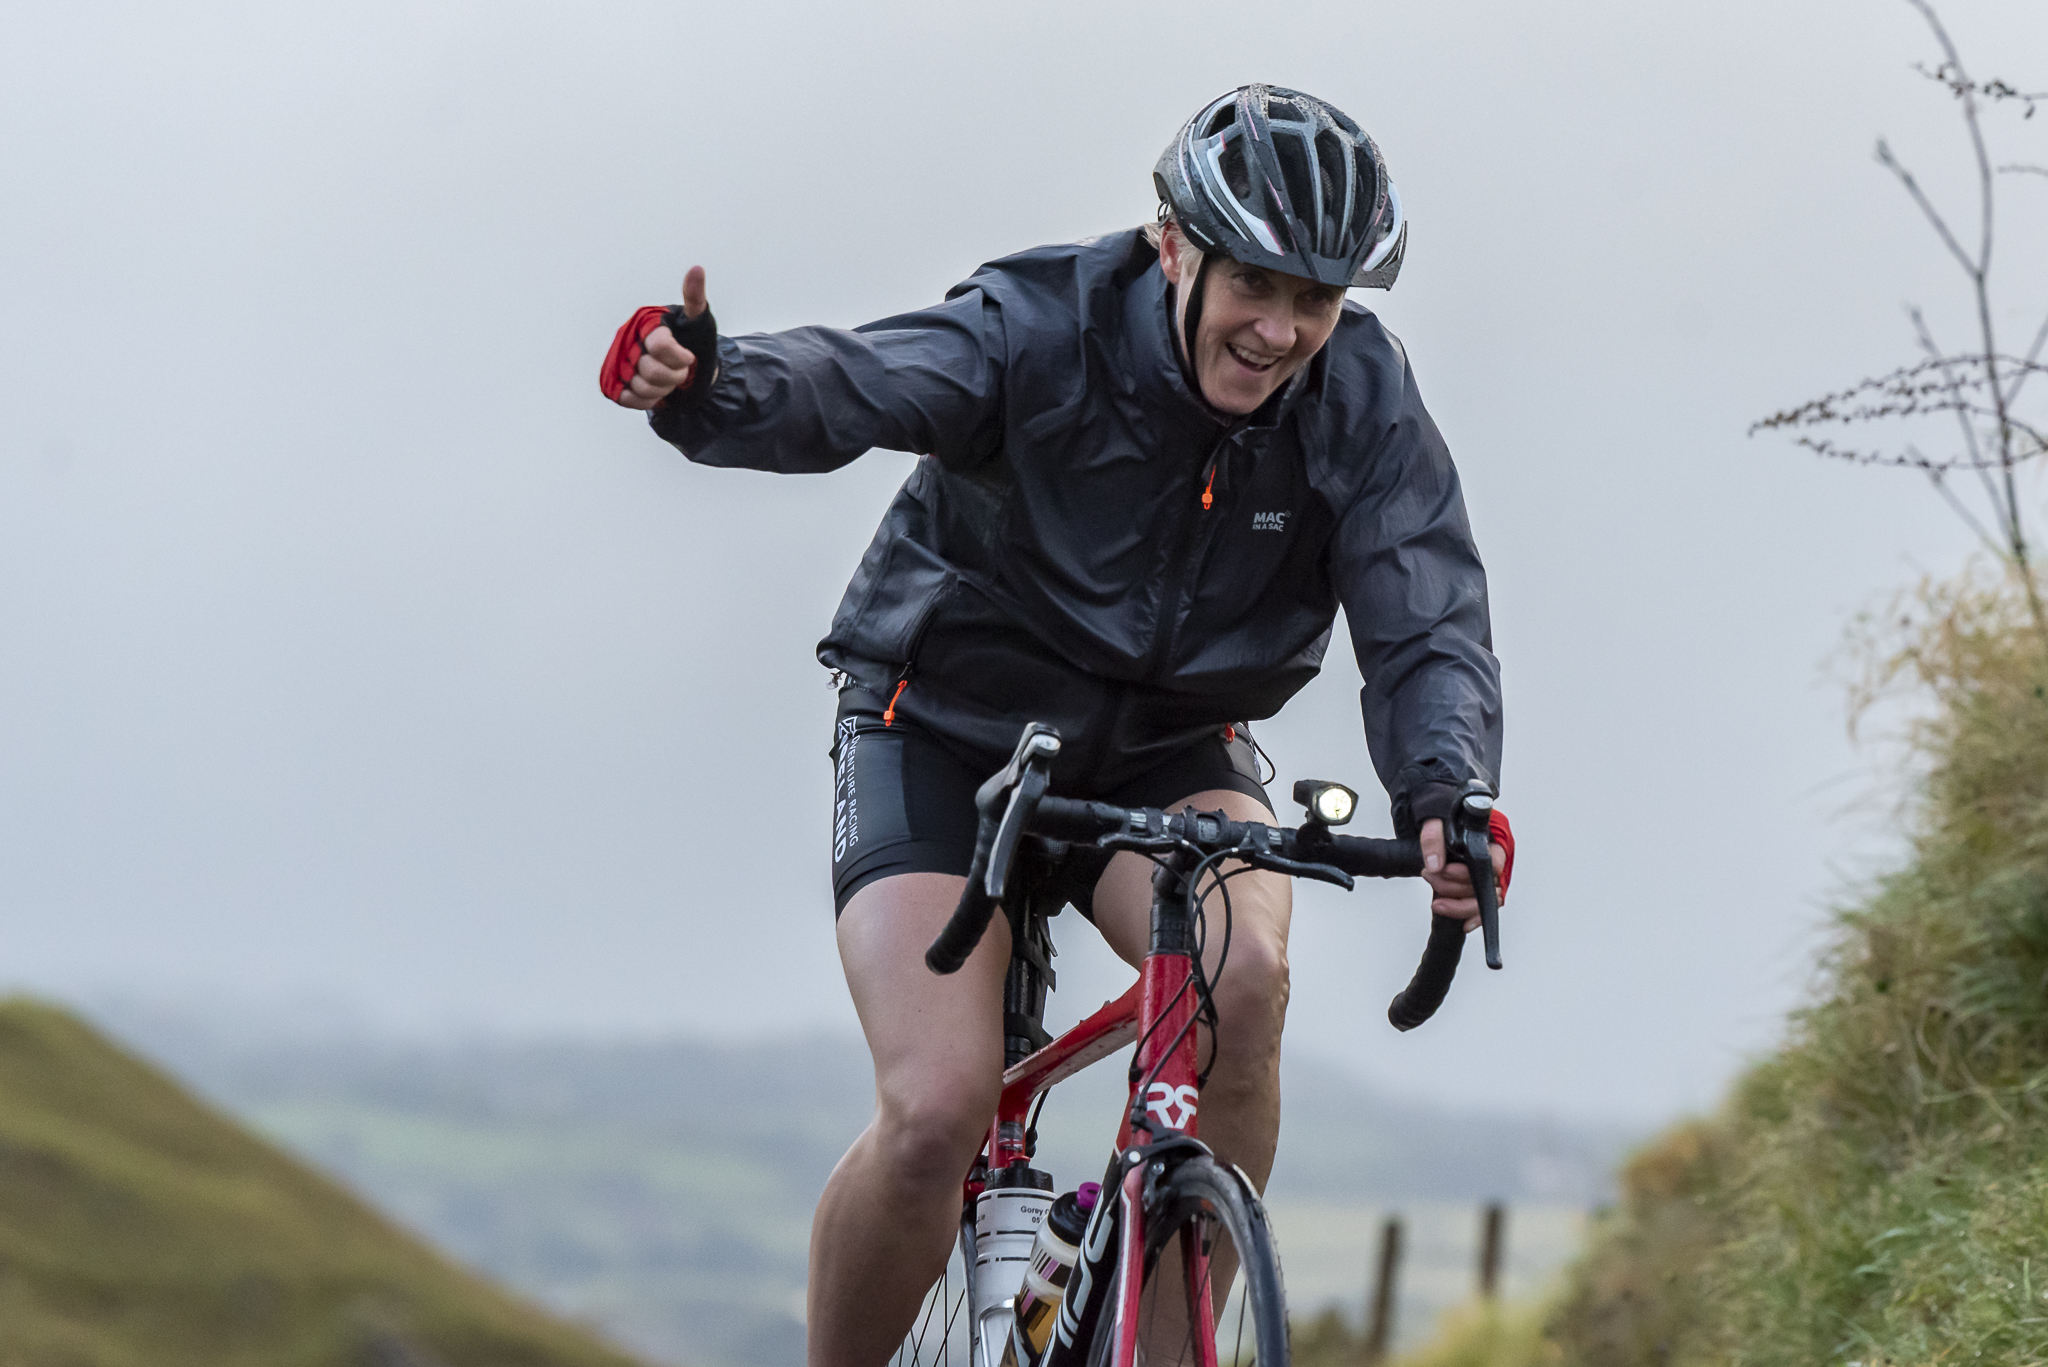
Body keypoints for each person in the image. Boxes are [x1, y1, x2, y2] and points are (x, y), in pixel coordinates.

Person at [603, 84, 1509, 1367]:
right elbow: (865, 379)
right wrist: (713, 385)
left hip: (1170, 743)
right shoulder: (1041, 326)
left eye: (1315, 298)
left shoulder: (1357, 394)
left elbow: (1423, 606)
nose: (1279, 330)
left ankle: (1163, 1343)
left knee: (1243, 978)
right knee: (937, 1107)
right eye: (1254, 283)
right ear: (1173, 244)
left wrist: (1445, 791)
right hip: (943, 724)